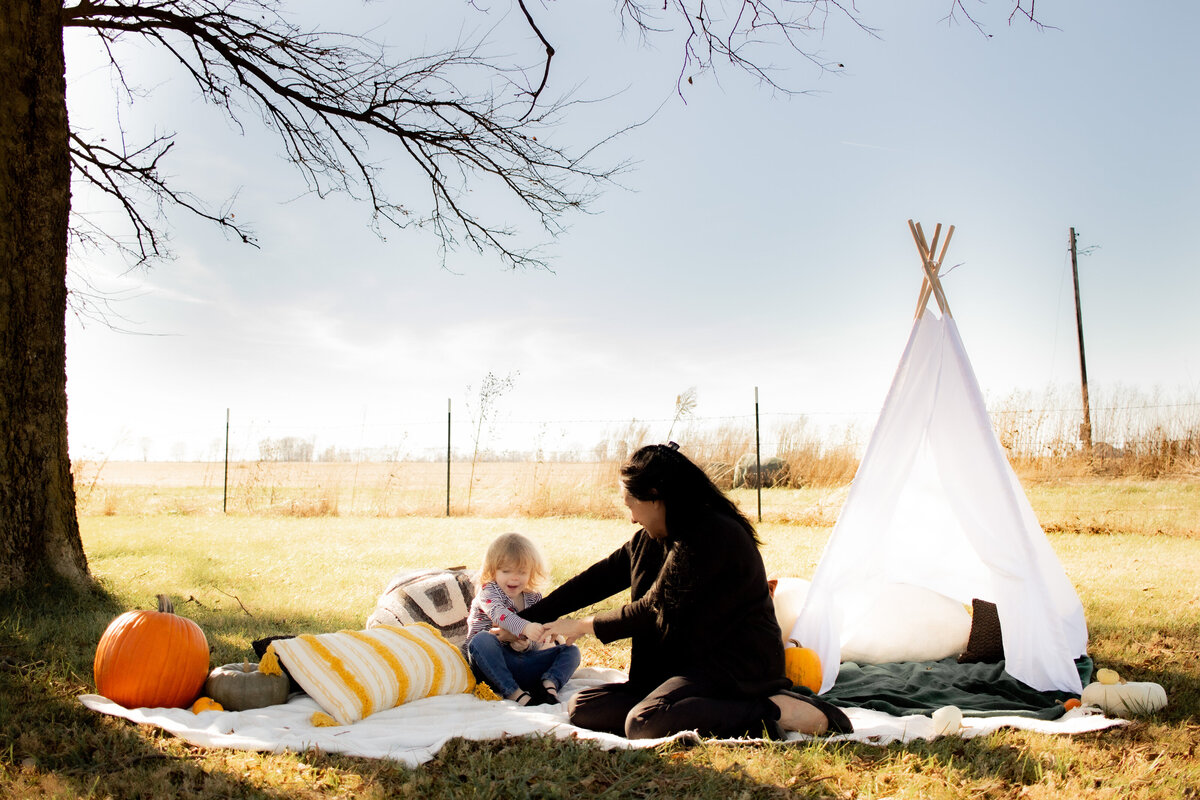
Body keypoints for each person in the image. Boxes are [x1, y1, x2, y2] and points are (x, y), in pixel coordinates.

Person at [523, 443, 852, 739]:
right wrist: (521, 620)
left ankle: (775, 710)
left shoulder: (711, 534)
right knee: (584, 706)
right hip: (685, 665)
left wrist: (581, 625)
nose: (632, 518)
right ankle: (690, 706)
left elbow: (653, 610)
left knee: (643, 723)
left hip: (733, 667)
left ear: (656, 495)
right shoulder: (651, 538)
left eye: (632, 505)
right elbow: (596, 580)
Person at [465, 532, 581, 706]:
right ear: (493, 571)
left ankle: (548, 685)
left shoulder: (533, 598)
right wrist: (525, 628)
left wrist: (528, 645)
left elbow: (538, 637)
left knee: (571, 651)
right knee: (482, 640)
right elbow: (499, 614)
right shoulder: (488, 592)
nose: (514, 577)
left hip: (523, 664)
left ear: (531, 572)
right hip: (490, 666)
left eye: (522, 572)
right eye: (506, 571)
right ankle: (515, 693)